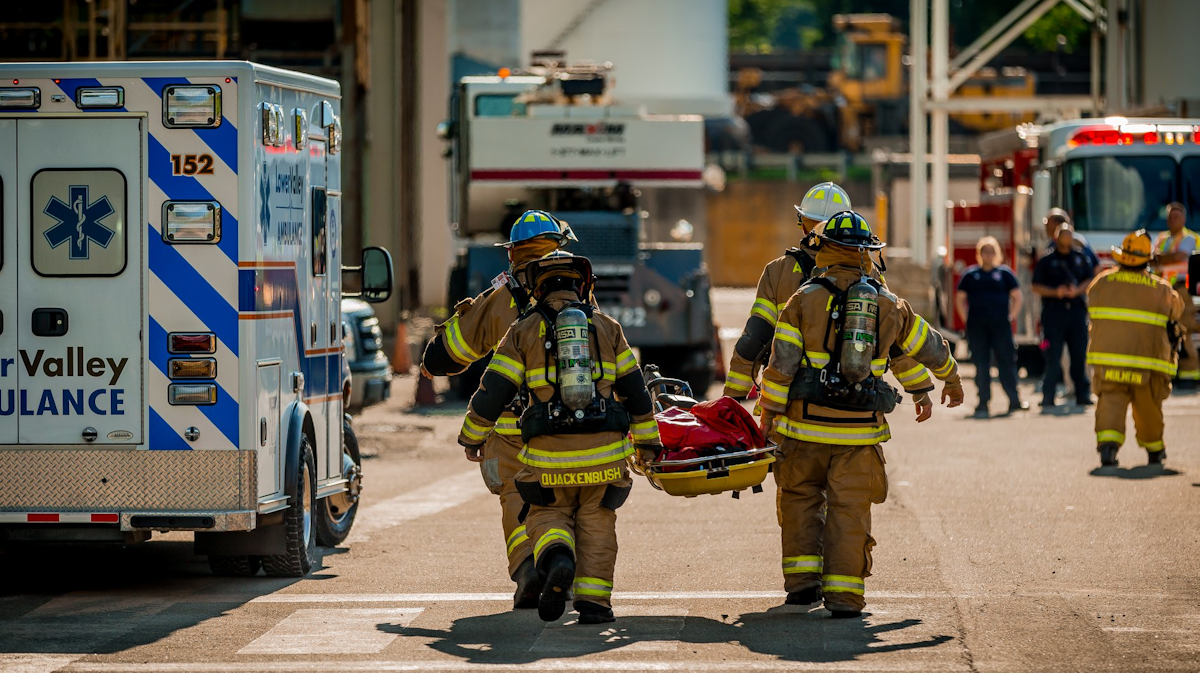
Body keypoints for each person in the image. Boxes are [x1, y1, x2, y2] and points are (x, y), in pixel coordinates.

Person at [758, 211, 964, 618]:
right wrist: (948, 380)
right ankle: (846, 598)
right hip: (858, 436)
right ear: (867, 253)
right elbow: (927, 345)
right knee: (849, 512)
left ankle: (802, 585)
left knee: (799, 500)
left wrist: (769, 419)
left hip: (803, 431)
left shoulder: (802, 299)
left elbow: (780, 367)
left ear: (824, 249)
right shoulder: (887, 303)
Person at [457, 252, 660, 625]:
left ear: (537, 288)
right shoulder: (608, 327)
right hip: (604, 457)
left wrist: (471, 437)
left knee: (546, 514)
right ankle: (595, 605)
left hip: (548, 459)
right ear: (583, 286)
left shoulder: (522, 330)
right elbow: (636, 392)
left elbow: (493, 392)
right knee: (598, 523)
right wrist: (649, 442)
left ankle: (558, 558)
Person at [420, 209, 575, 610]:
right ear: (558, 245)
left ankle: (527, 569)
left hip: (513, 428)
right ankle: (565, 562)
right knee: (571, 500)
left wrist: (457, 326)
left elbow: (444, 357)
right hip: (575, 422)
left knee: (515, 496)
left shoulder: (504, 297)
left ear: (513, 254)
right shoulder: (582, 292)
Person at [724, 182, 937, 421]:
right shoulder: (870, 275)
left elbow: (755, 337)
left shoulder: (779, 271)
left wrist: (731, 399)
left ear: (801, 225)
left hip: (793, 406)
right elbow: (894, 338)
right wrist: (919, 389)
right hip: (858, 403)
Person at [1086, 230, 1184, 467]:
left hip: (1109, 362)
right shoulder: (1161, 289)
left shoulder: (1102, 283)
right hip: (1147, 364)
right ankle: (1154, 451)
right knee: (1148, 407)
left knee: (1110, 402)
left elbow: (1091, 302)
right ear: (1146, 261)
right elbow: (1178, 311)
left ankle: (1108, 449)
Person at [955, 237, 1027, 418]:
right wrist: (966, 319)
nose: (988, 255)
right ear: (979, 254)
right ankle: (983, 402)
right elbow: (959, 298)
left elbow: (1017, 297)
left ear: (997, 254)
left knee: (1006, 362)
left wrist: (1012, 316)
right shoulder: (971, 275)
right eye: (984, 251)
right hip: (978, 326)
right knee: (981, 364)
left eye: (991, 251)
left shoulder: (1005, 274)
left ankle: (1014, 400)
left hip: (1000, 325)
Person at [1032, 223, 1095, 410]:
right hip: (1053, 313)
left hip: (1076, 312)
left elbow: (1090, 279)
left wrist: (1077, 291)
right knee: (1053, 356)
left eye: (1069, 236)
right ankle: (1048, 396)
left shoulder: (1081, 258)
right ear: (1057, 238)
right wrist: (1055, 292)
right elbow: (1035, 286)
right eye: (1062, 236)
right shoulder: (1046, 260)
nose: (1066, 240)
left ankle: (1082, 394)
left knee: (1078, 355)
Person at [1151, 203, 1200, 388]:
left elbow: (1179, 256)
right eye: (1170, 217)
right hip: (1164, 289)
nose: (1173, 220)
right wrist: (1162, 257)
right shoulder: (1163, 238)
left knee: (1185, 329)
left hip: (1182, 290)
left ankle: (1190, 373)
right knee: (1166, 331)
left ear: (1184, 219)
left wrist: (1162, 257)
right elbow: (1154, 257)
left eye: (1177, 217)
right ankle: (1174, 372)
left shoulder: (1189, 238)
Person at [1043, 208, 1100, 275]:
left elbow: (1096, 267)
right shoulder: (1053, 244)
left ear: (1056, 224)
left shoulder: (1078, 242)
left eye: (1047, 223)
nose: (1045, 227)